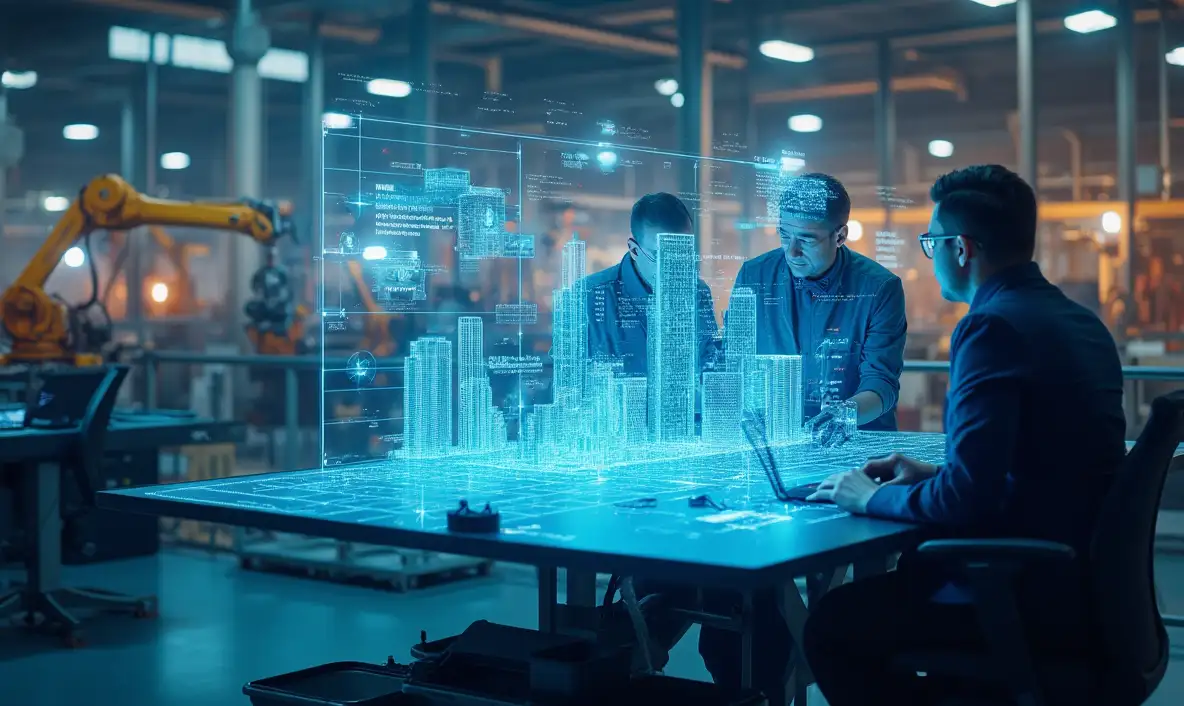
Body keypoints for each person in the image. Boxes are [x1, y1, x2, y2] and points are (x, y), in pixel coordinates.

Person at [802, 165, 1126, 706]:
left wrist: (870, 496)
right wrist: (933, 472)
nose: (931, 257)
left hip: (1019, 593)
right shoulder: (1080, 321)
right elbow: (1044, 462)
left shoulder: (989, 327)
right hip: (1083, 589)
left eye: (932, 243)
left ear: (962, 248)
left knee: (832, 627)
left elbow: (965, 500)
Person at [732, 173, 906, 447]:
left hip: (858, 447)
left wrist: (845, 415)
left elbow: (881, 384)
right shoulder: (753, 276)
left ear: (840, 236)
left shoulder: (880, 288)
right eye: (784, 234)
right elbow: (736, 365)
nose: (792, 252)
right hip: (776, 444)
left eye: (807, 239)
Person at [583, 192, 720, 374]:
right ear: (634, 250)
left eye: (682, 253)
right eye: (661, 255)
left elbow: (708, 367)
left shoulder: (698, 293)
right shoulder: (587, 298)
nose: (674, 267)